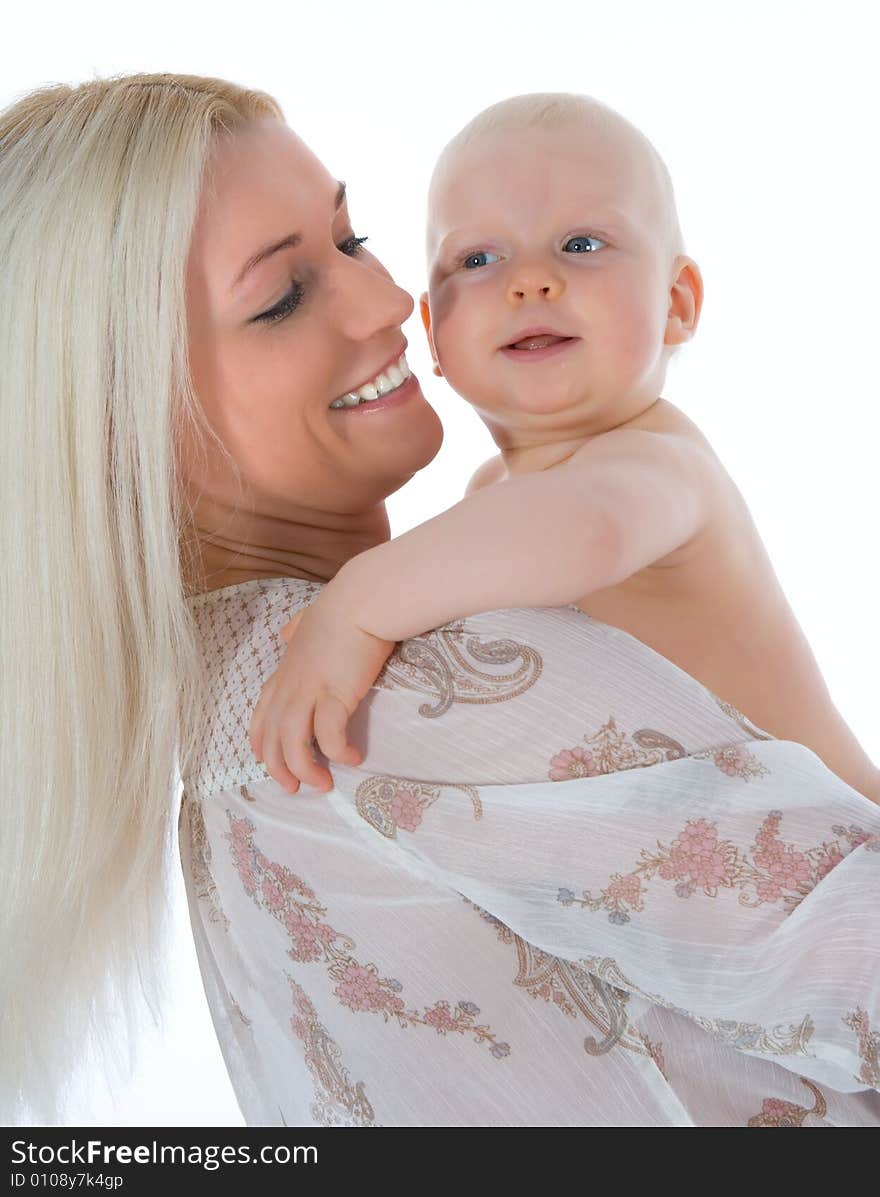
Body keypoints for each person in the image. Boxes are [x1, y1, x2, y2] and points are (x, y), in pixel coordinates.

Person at [1, 74, 878, 1129]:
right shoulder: (397, 694)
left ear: (680, 300)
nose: (386, 305)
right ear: (119, 425)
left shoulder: (292, 689)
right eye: (280, 297)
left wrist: (363, 599)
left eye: (352, 238)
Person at [248, 93, 880, 811]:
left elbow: (589, 528)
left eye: (581, 245)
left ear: (676, 303)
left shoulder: (660, 463)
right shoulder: (492, 496)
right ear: (433, 335)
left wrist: (353, 608)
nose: (529, 281)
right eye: (479, 258)